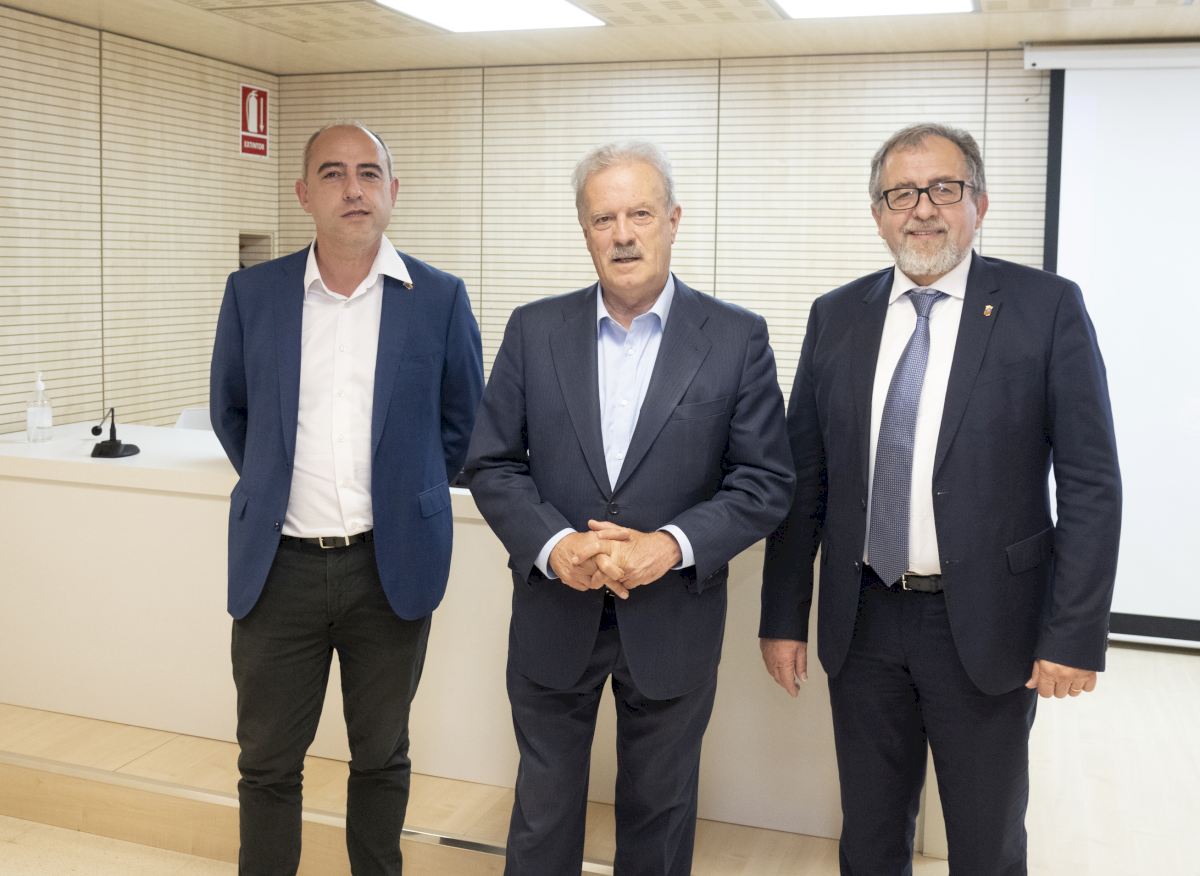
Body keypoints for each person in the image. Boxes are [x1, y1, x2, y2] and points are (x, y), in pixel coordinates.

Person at [760, 122, 1122, 874]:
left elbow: (1090, 482)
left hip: (988, 625)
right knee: (869, 837)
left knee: (986, 844)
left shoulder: (1046, 306)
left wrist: (1073, 633)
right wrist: (783, 617)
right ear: (878, 214)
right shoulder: (837, 315)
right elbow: (806, 482)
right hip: (863, 621)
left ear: (979, 204)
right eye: (901, 194)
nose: (922, 208)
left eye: (943, 189)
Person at [465, 140, 793, 875]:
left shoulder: (735, 338)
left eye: (640, 214)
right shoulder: (533, 330)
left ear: (673, 220)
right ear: (584, 230)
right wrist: (555, 545)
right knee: (543, 816)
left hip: (673, 617)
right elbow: (492, 462)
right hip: (555, 613)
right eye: (603, 218)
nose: (622, 235)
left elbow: (764, 481)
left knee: (659, 819)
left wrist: (669, 544)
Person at [210, 121, 483, 875]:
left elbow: (463, 425)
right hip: (278, 569)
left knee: (382, 756)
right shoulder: (253, 294)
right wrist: (274, 485)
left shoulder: (439, 298)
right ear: (304, 194)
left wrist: (405, 495)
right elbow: (232, 413)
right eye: (333, 173)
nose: (353, 189)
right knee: (267, 762)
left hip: (388, 567)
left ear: (393, 191)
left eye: (369, 173)